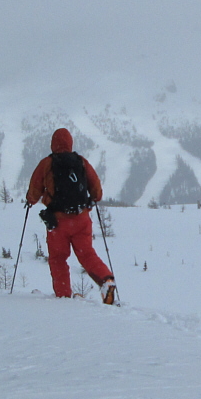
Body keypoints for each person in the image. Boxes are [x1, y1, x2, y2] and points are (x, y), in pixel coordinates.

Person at [26, 128, 116, 303]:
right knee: (87, 254)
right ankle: (106, 280)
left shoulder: (46, 163)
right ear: (70, 143)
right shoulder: (81, 162)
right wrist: (93, 198)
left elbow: (34, 191)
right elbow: (96, 190)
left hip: (58, 222)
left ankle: (64, 296)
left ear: (53, 144)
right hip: (81, 219)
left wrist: (30, 200)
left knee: (58, 258)